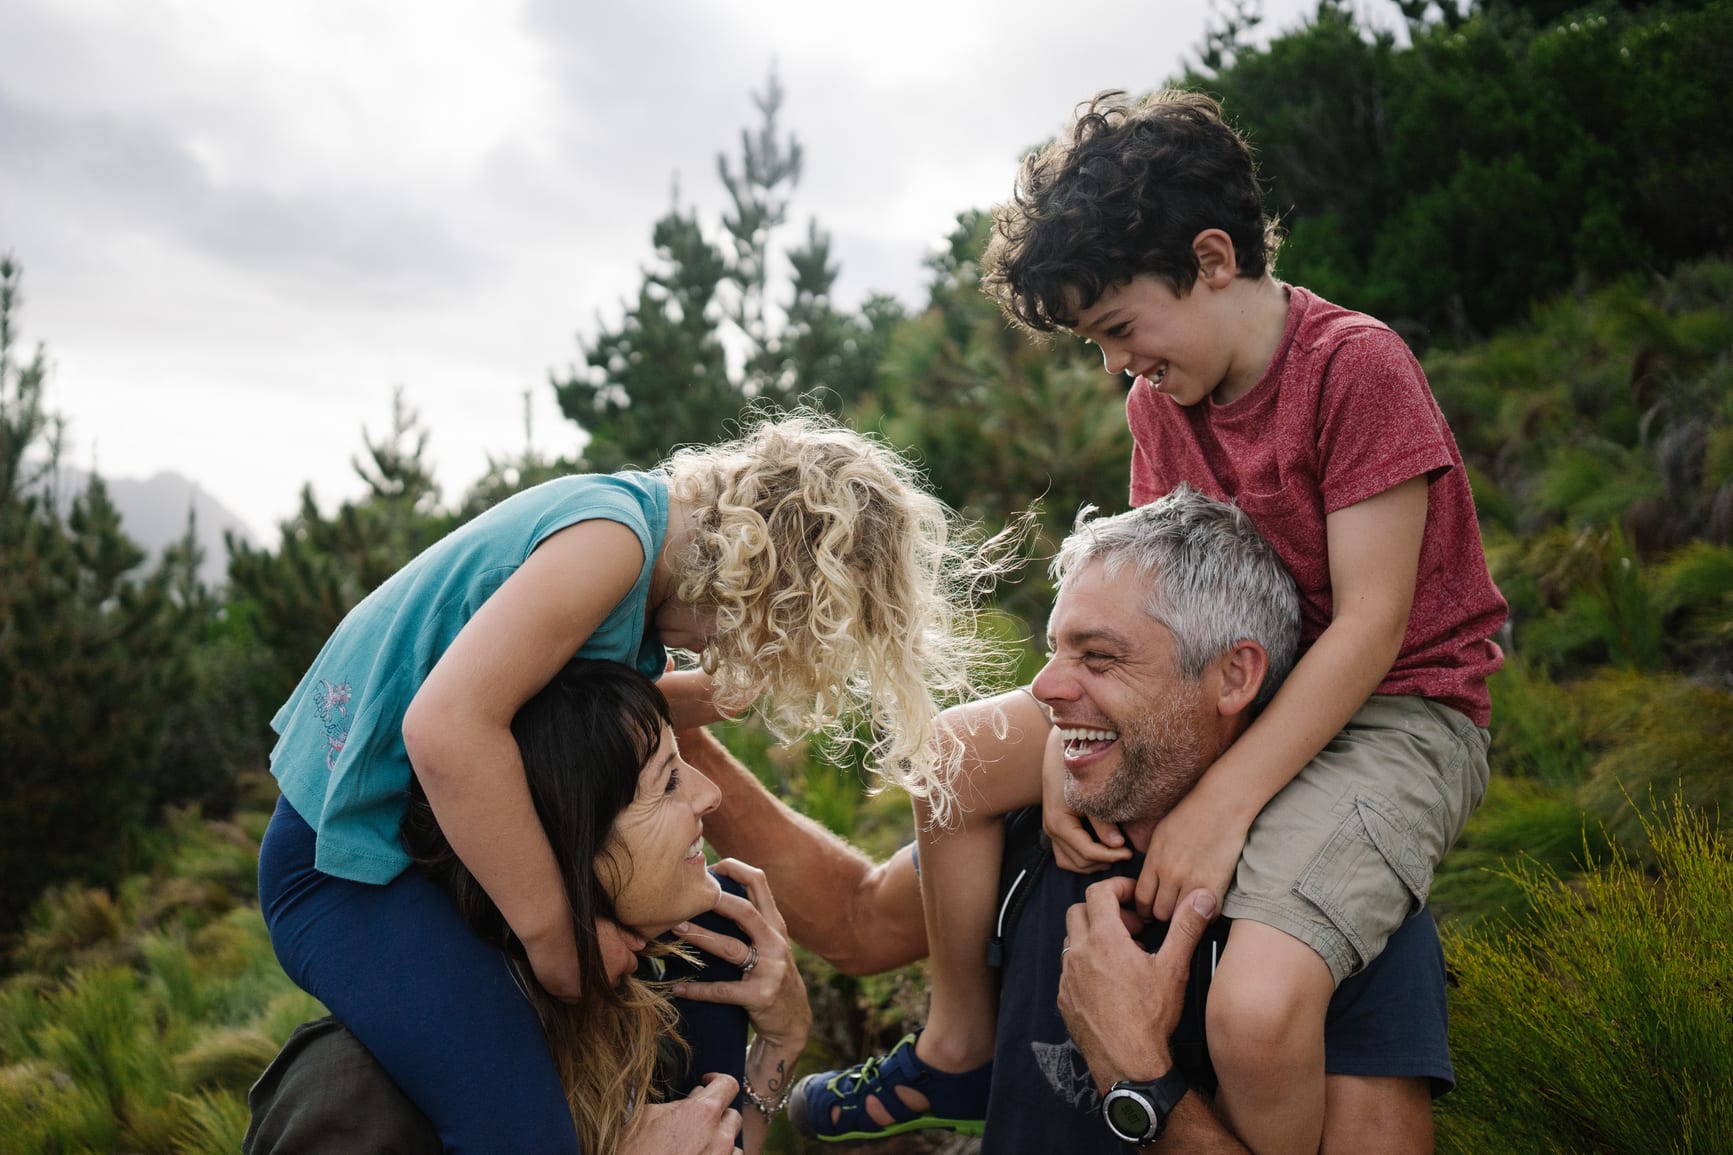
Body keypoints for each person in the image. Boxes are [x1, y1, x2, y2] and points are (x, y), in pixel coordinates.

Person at [808, 88, 1506, 1154]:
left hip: (1398, 713)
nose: (1112, 367)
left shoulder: (1352, 369)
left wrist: (1221, 803)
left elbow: (1371, 626)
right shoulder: (1157, 405)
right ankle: (958, 1046)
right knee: (949, 760)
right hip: (1225, 679)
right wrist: (1065, 750)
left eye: (1118, 329)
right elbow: (1146, 603)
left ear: (1213, 259)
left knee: (1254, 1010)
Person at [256, 411, 1004, 1154]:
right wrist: (565, 940)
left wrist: (707, 695)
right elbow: (447, 728)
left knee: (719, 924)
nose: (723, 644)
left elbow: (552, 716)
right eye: (763, 628)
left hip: (440, 848)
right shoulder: (609, 544)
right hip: (344, 866)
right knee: (521, 1130)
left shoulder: (637, 590)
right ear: (758, 579)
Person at [693, 490, 1454, 1152]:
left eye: (1099, 658)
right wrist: (675, 742)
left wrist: (1135, 1071)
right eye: (1054, 649)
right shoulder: (1030, 829)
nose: (1048, 688)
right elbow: (856, 921)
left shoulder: (1337, 914)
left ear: (1233, 674)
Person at [251, 659, 809, 1154]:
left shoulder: (635, 1006)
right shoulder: (356, 1091)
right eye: (666, 783)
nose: (709, 793)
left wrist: (775, 1050)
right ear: (568, 848)